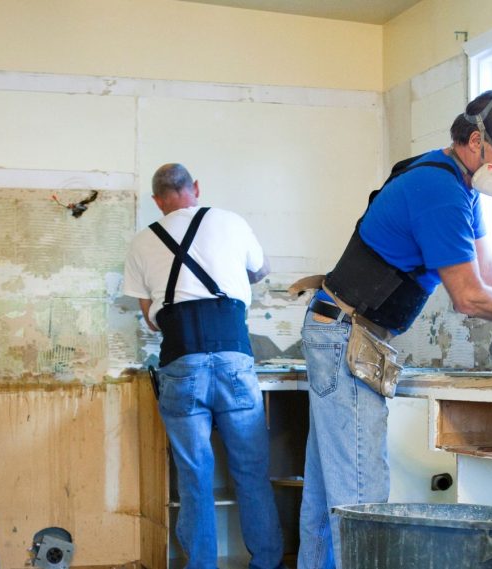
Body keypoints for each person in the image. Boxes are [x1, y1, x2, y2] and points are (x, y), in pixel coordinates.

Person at [293, 91, 492, 569]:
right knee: (360, 500)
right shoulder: (440, 191)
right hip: (346, 338)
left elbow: (489, 274)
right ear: (478, 141)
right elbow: (469, 296)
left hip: (342, 331)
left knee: (329, 495)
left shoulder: (458, 184)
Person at [123, 164, 286, 569]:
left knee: (195, 477)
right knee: (250, 473)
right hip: (234, 356)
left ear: (157, 200)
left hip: (181, 361)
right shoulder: (230, 221)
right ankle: (267, 562)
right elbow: (261, 270)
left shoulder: (142, 242)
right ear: (195, 188)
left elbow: (149, 316)